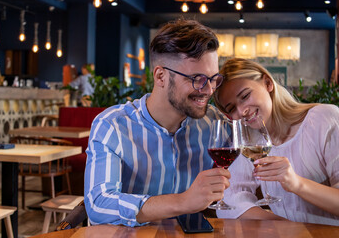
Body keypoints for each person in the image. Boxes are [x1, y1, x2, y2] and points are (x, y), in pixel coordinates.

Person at [84, 19, 230, 227]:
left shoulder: (214, 123)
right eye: (198, 79)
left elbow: (262, 141)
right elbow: (99, 205)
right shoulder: (113, 125)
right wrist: (182, 201)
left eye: (214, 79)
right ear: (161, 76)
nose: (209, 90)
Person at [213, 58, 339, 225]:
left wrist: (296, 183)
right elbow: (230, 199)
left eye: (245, 96)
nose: (242, 111)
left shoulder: (325, 119)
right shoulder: (252, 141)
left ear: (267, 83)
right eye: (231, 108)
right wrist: (283, 225)